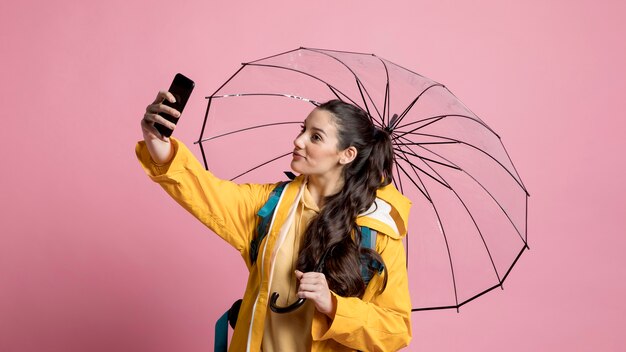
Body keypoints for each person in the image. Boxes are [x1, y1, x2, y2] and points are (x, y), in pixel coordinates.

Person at [136, 90, 412, 351]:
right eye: (302, 130)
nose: (299, 141)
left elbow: (396, 330)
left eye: (315, 137)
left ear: (346, 154)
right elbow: (203, 191)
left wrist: (333, 305)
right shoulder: (269, 205)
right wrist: (158, 144)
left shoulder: (378, 231)